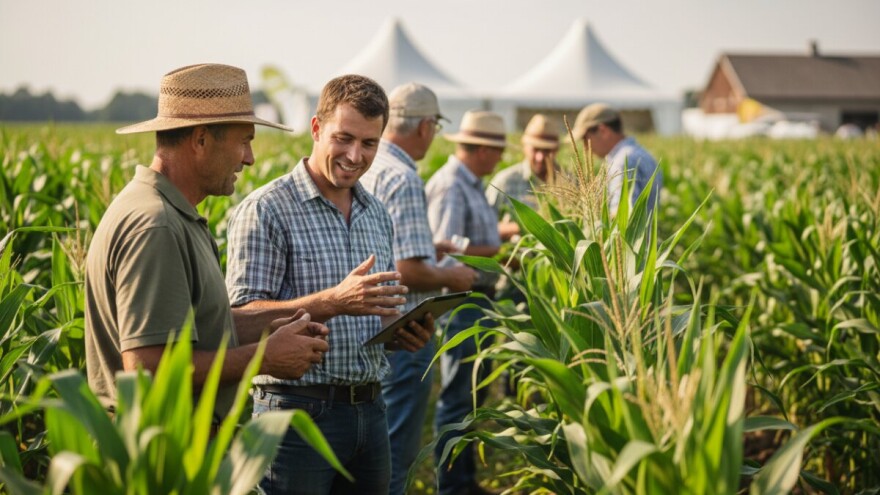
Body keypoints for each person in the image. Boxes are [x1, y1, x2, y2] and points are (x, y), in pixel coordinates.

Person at [84, 63, 330, 424]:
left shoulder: (172, 213)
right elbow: (148, 372)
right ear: (200, 140)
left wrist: (285, 322)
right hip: (159, 452)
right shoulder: (157, 225)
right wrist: (263, 358)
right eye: (244, 141)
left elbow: (200, 327)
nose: (250, 158)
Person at [224, 74, 433, 495]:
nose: (356, 155)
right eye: (344, 138)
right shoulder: (267, 209)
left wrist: (399, 333)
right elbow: (239, 321)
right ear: (317, 128)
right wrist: (334, 301)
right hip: (295, 416)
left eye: (369, 143)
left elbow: (367, 318)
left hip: (371, 409)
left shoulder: (377, 213)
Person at [359, 82, 478, 495]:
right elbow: (406, 270)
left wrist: (430, 246)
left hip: (363, 331)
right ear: (426, 126)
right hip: (404, 333)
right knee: (395, 455)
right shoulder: (404, 176)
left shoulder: (369, 166)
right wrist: (452, 277)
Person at [426, 110, 506, 495]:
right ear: (482, 149)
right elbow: (448, 250)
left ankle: (465, 481)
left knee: (472, 396)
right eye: (498, 150)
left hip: (479, 301)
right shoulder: (451, 186)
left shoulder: (472, 184)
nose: (501, 158)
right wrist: (501, 253)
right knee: (459, 396)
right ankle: (451, 486)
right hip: (463, 303)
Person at [572, 103, 662, 216]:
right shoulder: (644, 154)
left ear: (603, 131)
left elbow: (621, 216)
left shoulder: (622, 162)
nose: (585, 147)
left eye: (585, 139)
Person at [486, 113, 562, 240]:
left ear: (556, 150)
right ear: (524, 147)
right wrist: (522, 226)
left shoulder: (572, 182)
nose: (540, 157)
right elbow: (484, 229)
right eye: (535, 149)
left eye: (547, 151)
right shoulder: (504, 182)